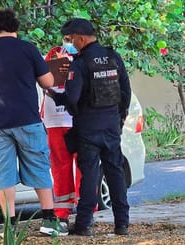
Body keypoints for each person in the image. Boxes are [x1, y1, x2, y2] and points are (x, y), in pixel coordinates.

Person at [0, 9, 68, 237]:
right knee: (39, 166)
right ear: (15, 28)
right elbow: (48, 81)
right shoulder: (28, 49)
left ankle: (9, 226)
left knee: (4, 174)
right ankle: (49, 220)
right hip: (27, 119)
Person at [56, 18, 132, 236]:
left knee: (89, 176)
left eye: (71, 40)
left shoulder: (79, 63)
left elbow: (72, 97)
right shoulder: (112, 57)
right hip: (111, 126)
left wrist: (55, 96)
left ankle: (84, 225)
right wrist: (119, 119)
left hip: (88, 129)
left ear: (81, 38)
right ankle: (122, 224)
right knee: (115, 173)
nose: (70, 44)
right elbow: (125, 92)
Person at [41, 36, 82, 227]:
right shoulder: (53, 54)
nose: (69, 41)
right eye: (66, 38)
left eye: (71, 38)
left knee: (83, 165)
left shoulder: (85, 56)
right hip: (55, 119)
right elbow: (44, 80)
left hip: (78, 119)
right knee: (60, 167)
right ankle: (62, 213)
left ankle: (85, 209)